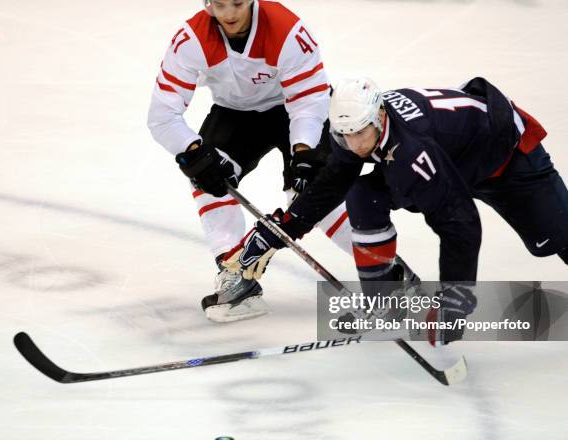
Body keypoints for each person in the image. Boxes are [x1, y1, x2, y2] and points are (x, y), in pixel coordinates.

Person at [224, 76, 568, 345]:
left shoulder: (411, 152)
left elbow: (461, 225)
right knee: (362, 194)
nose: (355, 144)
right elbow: (333, 182)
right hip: (453, 155)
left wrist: (455, 300)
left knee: (556, 238)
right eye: (346, 136)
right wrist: (283, 229)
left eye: (361, 133)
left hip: (508, 161)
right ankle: (387, 303)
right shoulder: (355, 128)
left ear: (380, 115)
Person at [147, 0, 353, 323]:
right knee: (208, 178)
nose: (228, 14)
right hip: (236, 114)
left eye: (238, 3)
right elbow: (161, 116)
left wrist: (304, 153)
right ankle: (236, 274)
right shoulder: (191, 39)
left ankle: (387, 269)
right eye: (219, 4)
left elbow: (309, 100)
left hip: (295, 110)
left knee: (314, 196)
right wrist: (192, 152)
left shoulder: (287, 29)